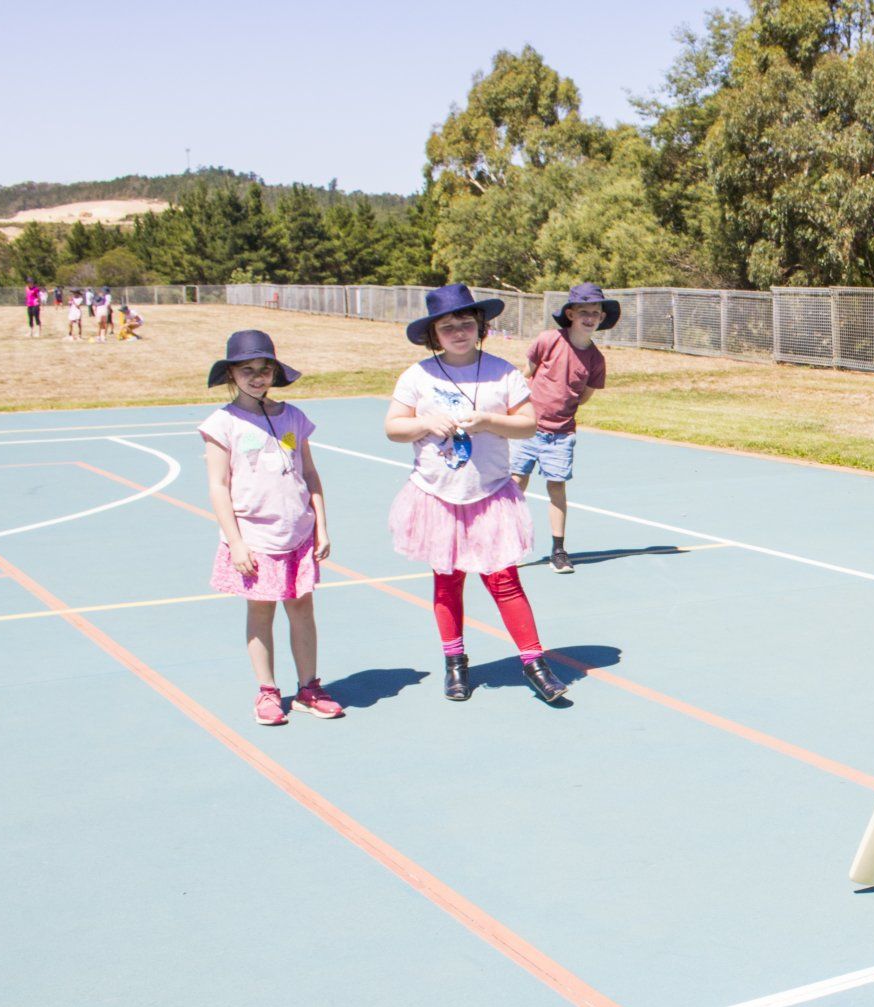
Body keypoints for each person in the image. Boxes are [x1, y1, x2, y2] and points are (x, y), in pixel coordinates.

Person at [385, 283, 566, 705]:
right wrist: (425, 423)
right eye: (448, 326)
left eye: (466, 323)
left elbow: (527, 424)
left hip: (489, 493)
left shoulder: (502, 372)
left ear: (480, 326)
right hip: (437, 495)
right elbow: (393, 427)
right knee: (447, 582)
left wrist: (488, 420)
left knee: (504, 579)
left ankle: (534, 662)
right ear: (435, 334)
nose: (459, 331)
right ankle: (455, 663)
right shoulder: (418, 375)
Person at [200, 331, 343, 726]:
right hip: (254, 538)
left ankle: (309, 688)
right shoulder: (222, 423)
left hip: (297, 533)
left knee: (302, 608)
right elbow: (218, 485)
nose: (258, 377)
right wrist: (236, 542)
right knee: (261, 612)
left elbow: (310, 473)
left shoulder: (293, 416)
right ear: (232, 373)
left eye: (265, 369)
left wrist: (322, 526)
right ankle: (267, 691)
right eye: (248, 370)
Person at [510, 282, 613, 573]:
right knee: (516, 483)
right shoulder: (548, 340)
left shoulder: (596, 360)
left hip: (561, 434)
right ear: (570, 313)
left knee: (557, 487)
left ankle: (558, 550)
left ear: (602, 318)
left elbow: (585, 396)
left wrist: (561, 413)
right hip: (527, 427)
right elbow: (524, 376)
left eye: (595, 312)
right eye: (583, 311)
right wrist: (516, 412)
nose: (589, 317)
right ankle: (509, 542)